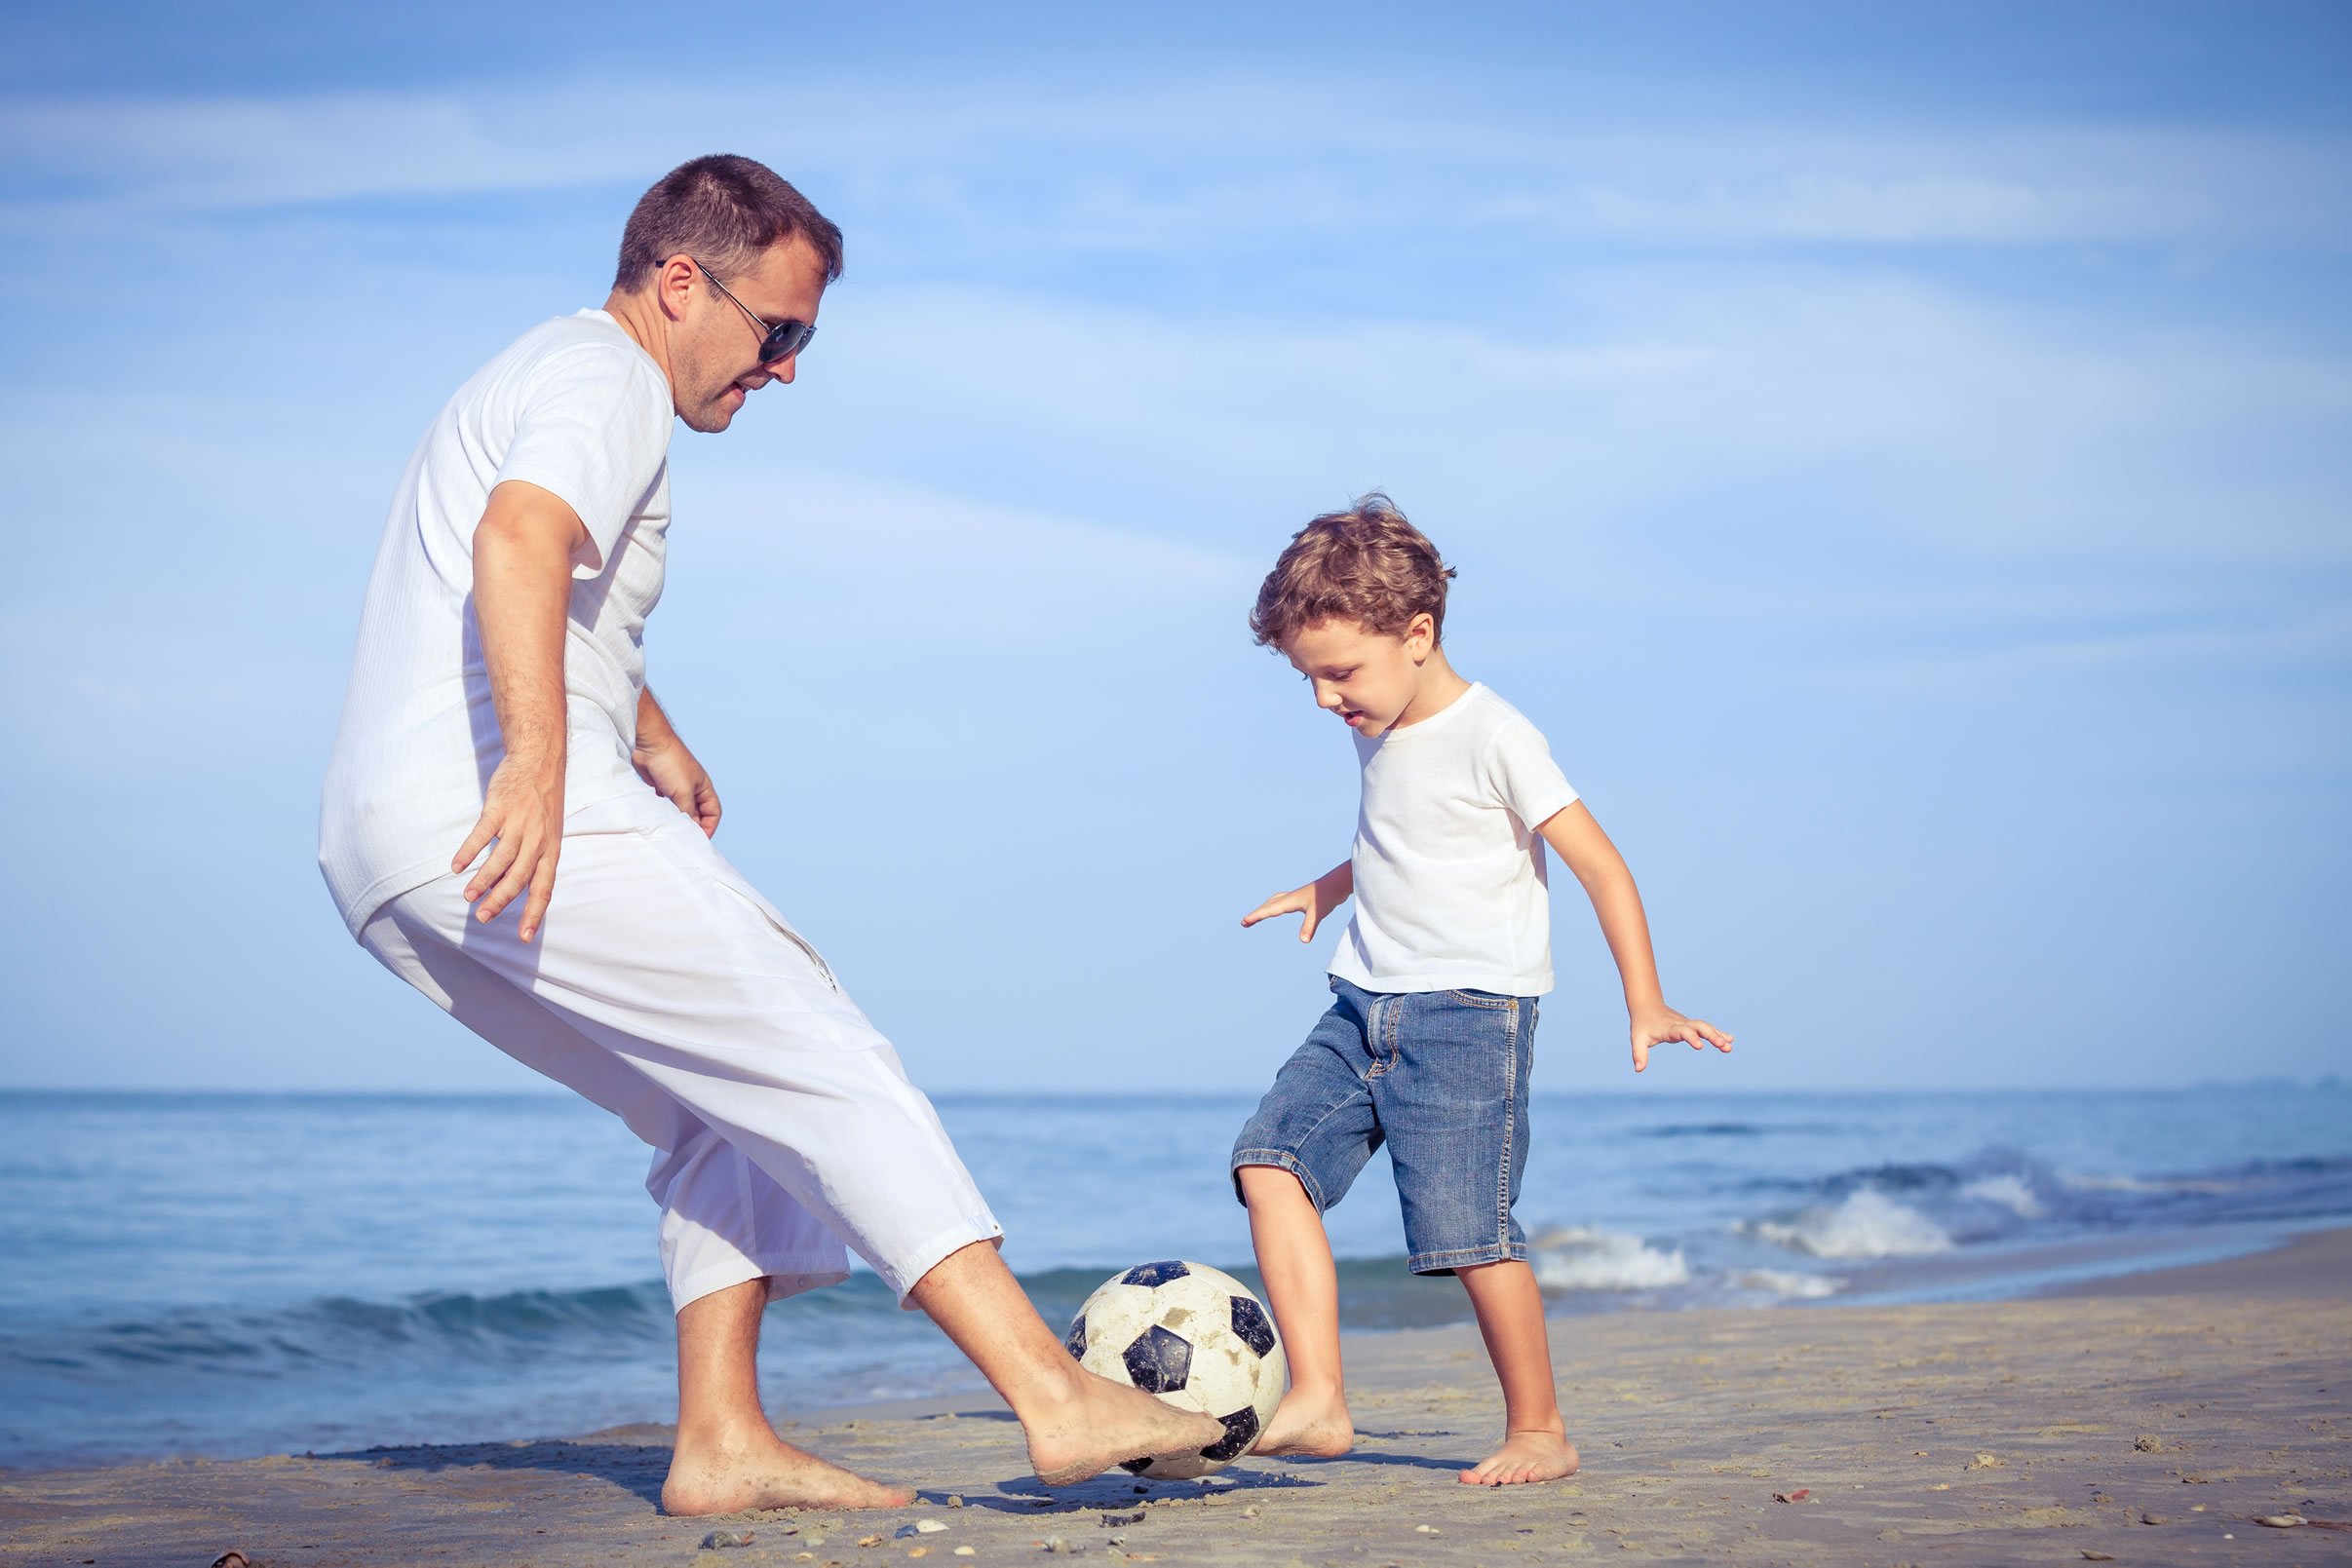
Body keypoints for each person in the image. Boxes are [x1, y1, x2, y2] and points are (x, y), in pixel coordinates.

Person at [317, 154, 1218, 1514]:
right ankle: (1054, 1393)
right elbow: (517, 541)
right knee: (816, 1045)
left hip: (386, 852)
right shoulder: (606, 376)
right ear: (680, 284)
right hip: (496, 810)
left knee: (717, 1106)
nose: (787, 366)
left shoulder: (545, 374)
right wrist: (545, 773)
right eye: (777, 330)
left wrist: (648, 725)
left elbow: (549, 584)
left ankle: (723, 1441)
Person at [1228, 494, 1733, 1486]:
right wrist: (1328, 888)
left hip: (1468, 1015)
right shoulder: (1375, 721)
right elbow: (1404, 835)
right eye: (1309, 677)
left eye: (1338, 673)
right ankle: (1319, 1395)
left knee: (1469, 1233)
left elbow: (1600, 863)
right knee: (1268, 1160)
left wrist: (1647, 998)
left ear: (1416, 635)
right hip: (1361, 1003)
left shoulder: (1496, 731)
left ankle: (1540, 1427)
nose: (1325, 699)